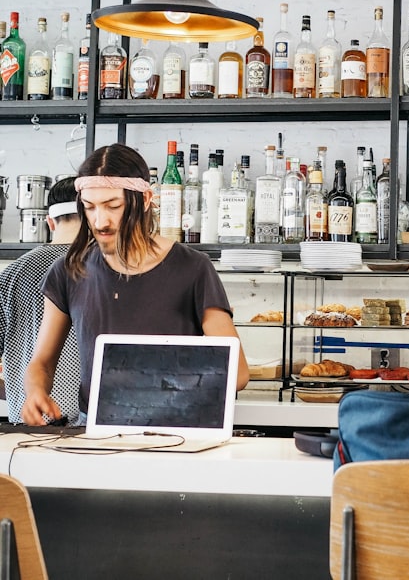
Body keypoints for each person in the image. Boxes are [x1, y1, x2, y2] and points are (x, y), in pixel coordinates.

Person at [22, 144, 249, 425]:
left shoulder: (193, 268)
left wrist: (159, 387)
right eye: (90, 207)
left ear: (144, 200)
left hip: (177, 432)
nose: (99, 220)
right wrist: (36, 391)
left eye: (113, 206)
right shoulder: (69, 270)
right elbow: (42, 362)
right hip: (93, 432)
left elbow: (237, 372)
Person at [0, 177, 84, 424]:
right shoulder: (107, 269)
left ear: (49, 222)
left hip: (30, 426)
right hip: (98, 426)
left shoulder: (12, 274)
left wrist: (19, 389)